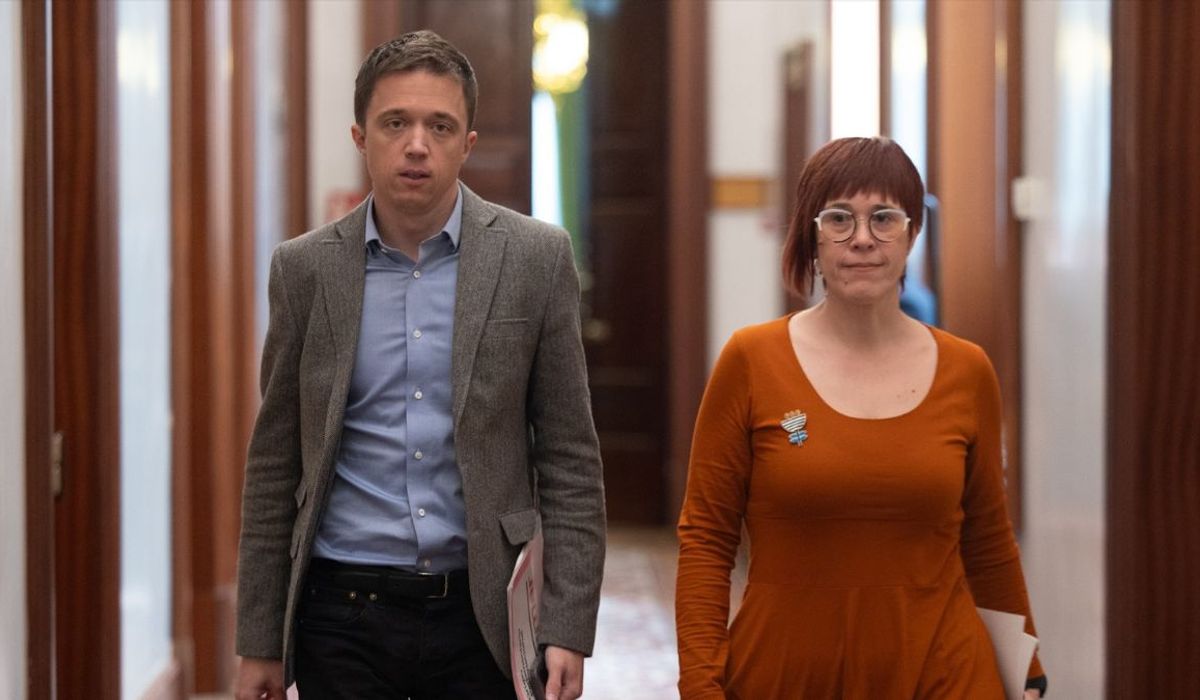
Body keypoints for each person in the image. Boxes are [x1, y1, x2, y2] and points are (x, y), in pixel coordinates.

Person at [233, 30, 606, 700]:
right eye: (395, 123)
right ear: (360, 137)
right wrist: (259, 640)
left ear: (467, 143)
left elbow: (570, 459)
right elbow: (274, 465)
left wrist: (568, 626)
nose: (416, 145)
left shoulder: (535, 259)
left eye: (439, 126)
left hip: (482, 615)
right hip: (341, 612)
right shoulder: (304, 270)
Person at [674, 137, 1047, 699]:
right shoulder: (751, 360)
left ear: (913, 234)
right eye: (839, 218)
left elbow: (989, 542)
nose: (863, 238)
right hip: (788, 677)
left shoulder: (967, 370)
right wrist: (701, 687)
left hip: (947, 676)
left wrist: (1029, 676)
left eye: (885, 218)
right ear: (812, 237)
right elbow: (706, 539)